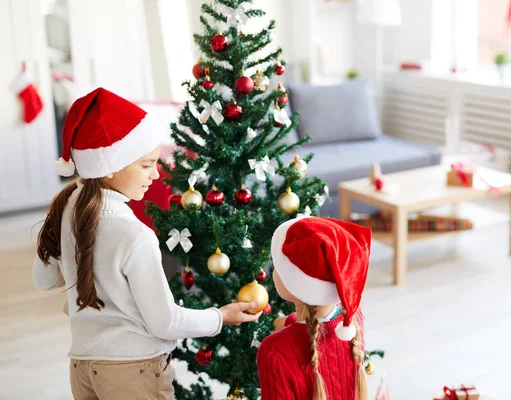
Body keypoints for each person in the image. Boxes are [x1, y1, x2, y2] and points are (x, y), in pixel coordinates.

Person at [32, 87, 260, 400]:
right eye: (146, 164)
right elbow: (165, 322)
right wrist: (221, 316)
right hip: (132, 372)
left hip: (82, 368)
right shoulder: (133, 234)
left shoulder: (66, 205)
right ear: (109, 165)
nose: (157, 174)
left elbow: (42, 280)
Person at [257, 216, 372, 400]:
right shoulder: (352, 319)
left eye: (277, 266)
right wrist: (289, 322)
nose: (273, 272)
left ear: (294, 283)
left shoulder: (273, 351)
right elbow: (321, 336)